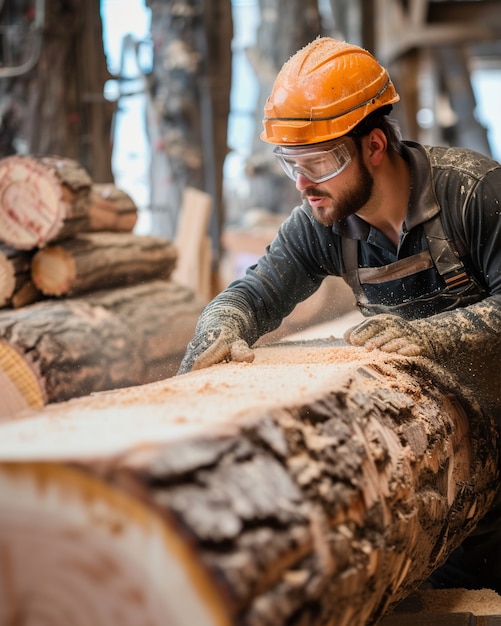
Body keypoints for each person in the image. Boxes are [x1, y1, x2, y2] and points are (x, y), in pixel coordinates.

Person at [178, 37, 501, 591]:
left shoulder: (476, 194)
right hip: (452, 468)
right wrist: (221, 326)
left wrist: (429, 336)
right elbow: (251, 295)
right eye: (290, 164)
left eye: (319, 163)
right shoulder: (323, 223)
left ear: (374, 145)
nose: (303, 185)